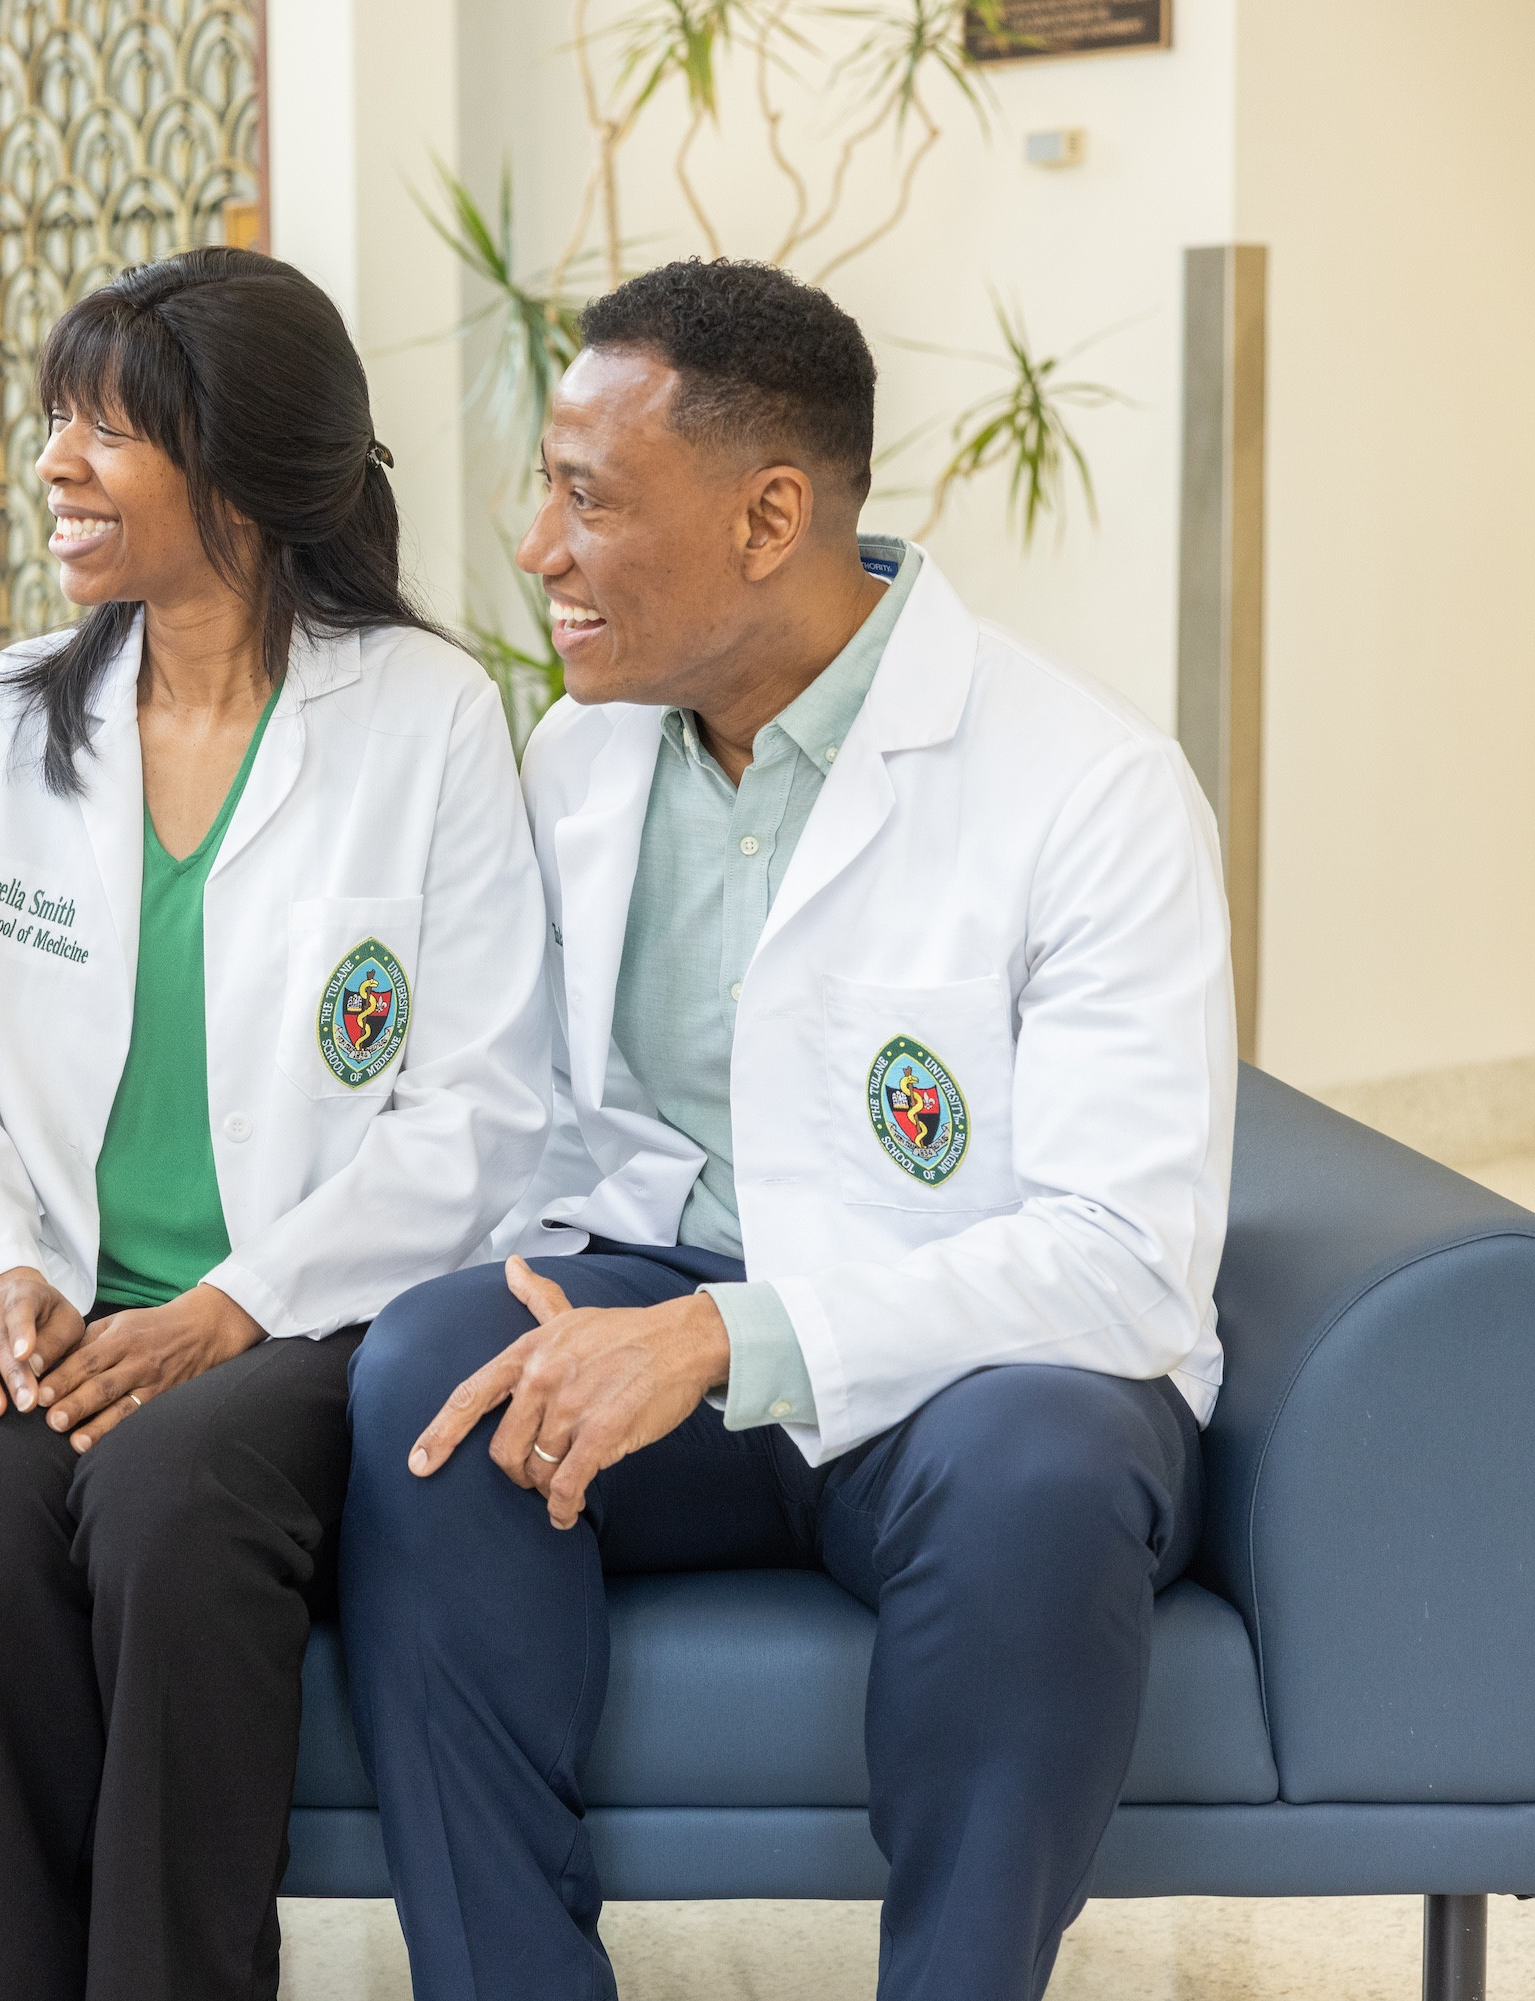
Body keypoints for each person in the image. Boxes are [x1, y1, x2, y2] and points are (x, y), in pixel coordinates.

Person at [341, 258, 1233, 2001]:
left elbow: (1125, 1260)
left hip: (975, 1362)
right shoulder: (579, 761)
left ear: (771, 517)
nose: (539, 549)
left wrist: (729, 1335)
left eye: (589, 499)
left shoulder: (1093, 792)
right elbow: (532, 1129)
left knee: (1047, 1475)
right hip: (664, 1305)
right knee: (433, 1381)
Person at [0, 246, 553, 2001]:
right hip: (58, 1312)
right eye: (57, 426)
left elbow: (477, 1109)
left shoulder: (427, 721)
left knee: (168, 1487)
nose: (58, 467)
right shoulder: (10, 721)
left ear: (242, 468)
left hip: (304, 1318)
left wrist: (236, 1303)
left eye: (109, 430)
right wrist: (4, 1269)